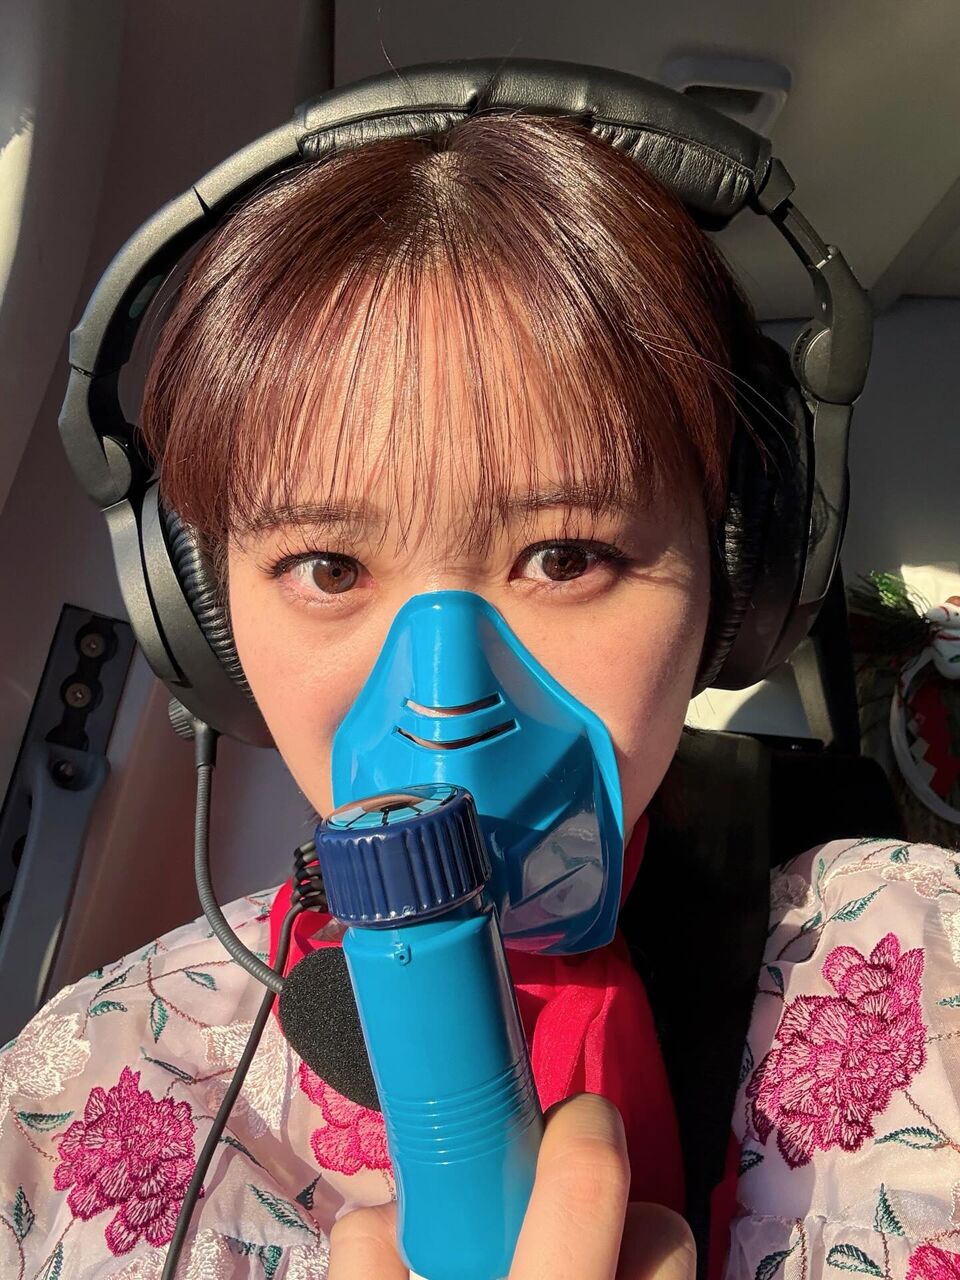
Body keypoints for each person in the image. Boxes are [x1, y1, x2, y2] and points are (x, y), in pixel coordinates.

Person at [2, 109, 958, 1280]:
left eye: (566, 554)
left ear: (734, 580)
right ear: (196, 615)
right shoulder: (92, 1079)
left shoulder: (924, 968)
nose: (447, 704)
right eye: (328, 566)